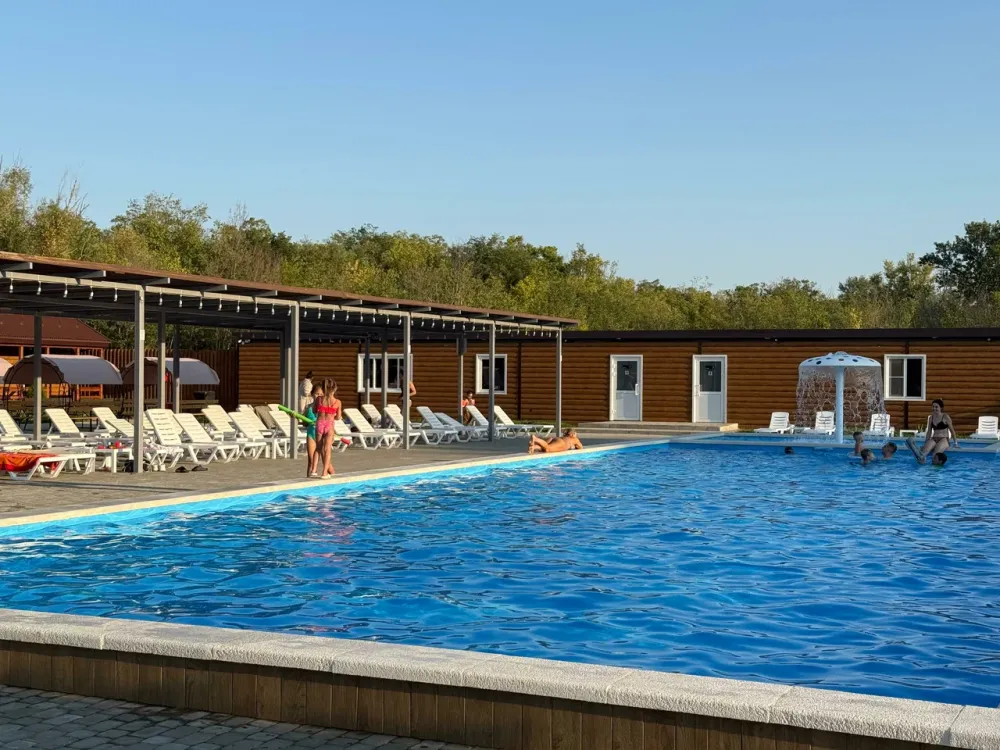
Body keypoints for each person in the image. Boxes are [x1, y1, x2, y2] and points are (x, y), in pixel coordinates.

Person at [314, 378, 342, 479]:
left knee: (318, 448)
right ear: (335, 389)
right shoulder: (337, 402)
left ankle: (313, 470)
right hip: (329, 425)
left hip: (320, 423)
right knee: (327, 450)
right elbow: (338, 417)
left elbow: (314, 410)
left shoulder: (319, 399)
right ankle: (324, 472)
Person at [305, 383, 323, 478]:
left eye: (321, 394)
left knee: (326, 463)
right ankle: (308, 481)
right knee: (311, 461)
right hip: (311, 434)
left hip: (322, 435)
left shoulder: (324, 407)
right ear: (312, 394)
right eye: (317, 394)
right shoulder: (308, 407)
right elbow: (304, 422)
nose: (319, 396)